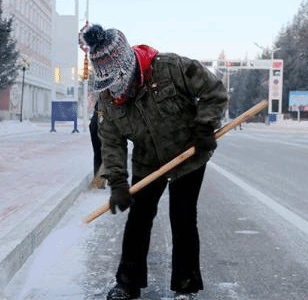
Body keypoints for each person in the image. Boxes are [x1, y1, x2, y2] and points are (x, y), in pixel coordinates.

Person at [82, 24, 228, 300]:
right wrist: (117, 183)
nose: (113, 91)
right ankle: (127, 284)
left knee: (183, 217)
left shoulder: (171, 67)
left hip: (188, 154)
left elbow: (213, 91)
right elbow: (111, 143)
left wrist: (204, 127)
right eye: (106, 84)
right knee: (138, 218)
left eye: (115, 81)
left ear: (127, 67)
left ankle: (185, 286)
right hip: (148, 160)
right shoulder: (109, 101)